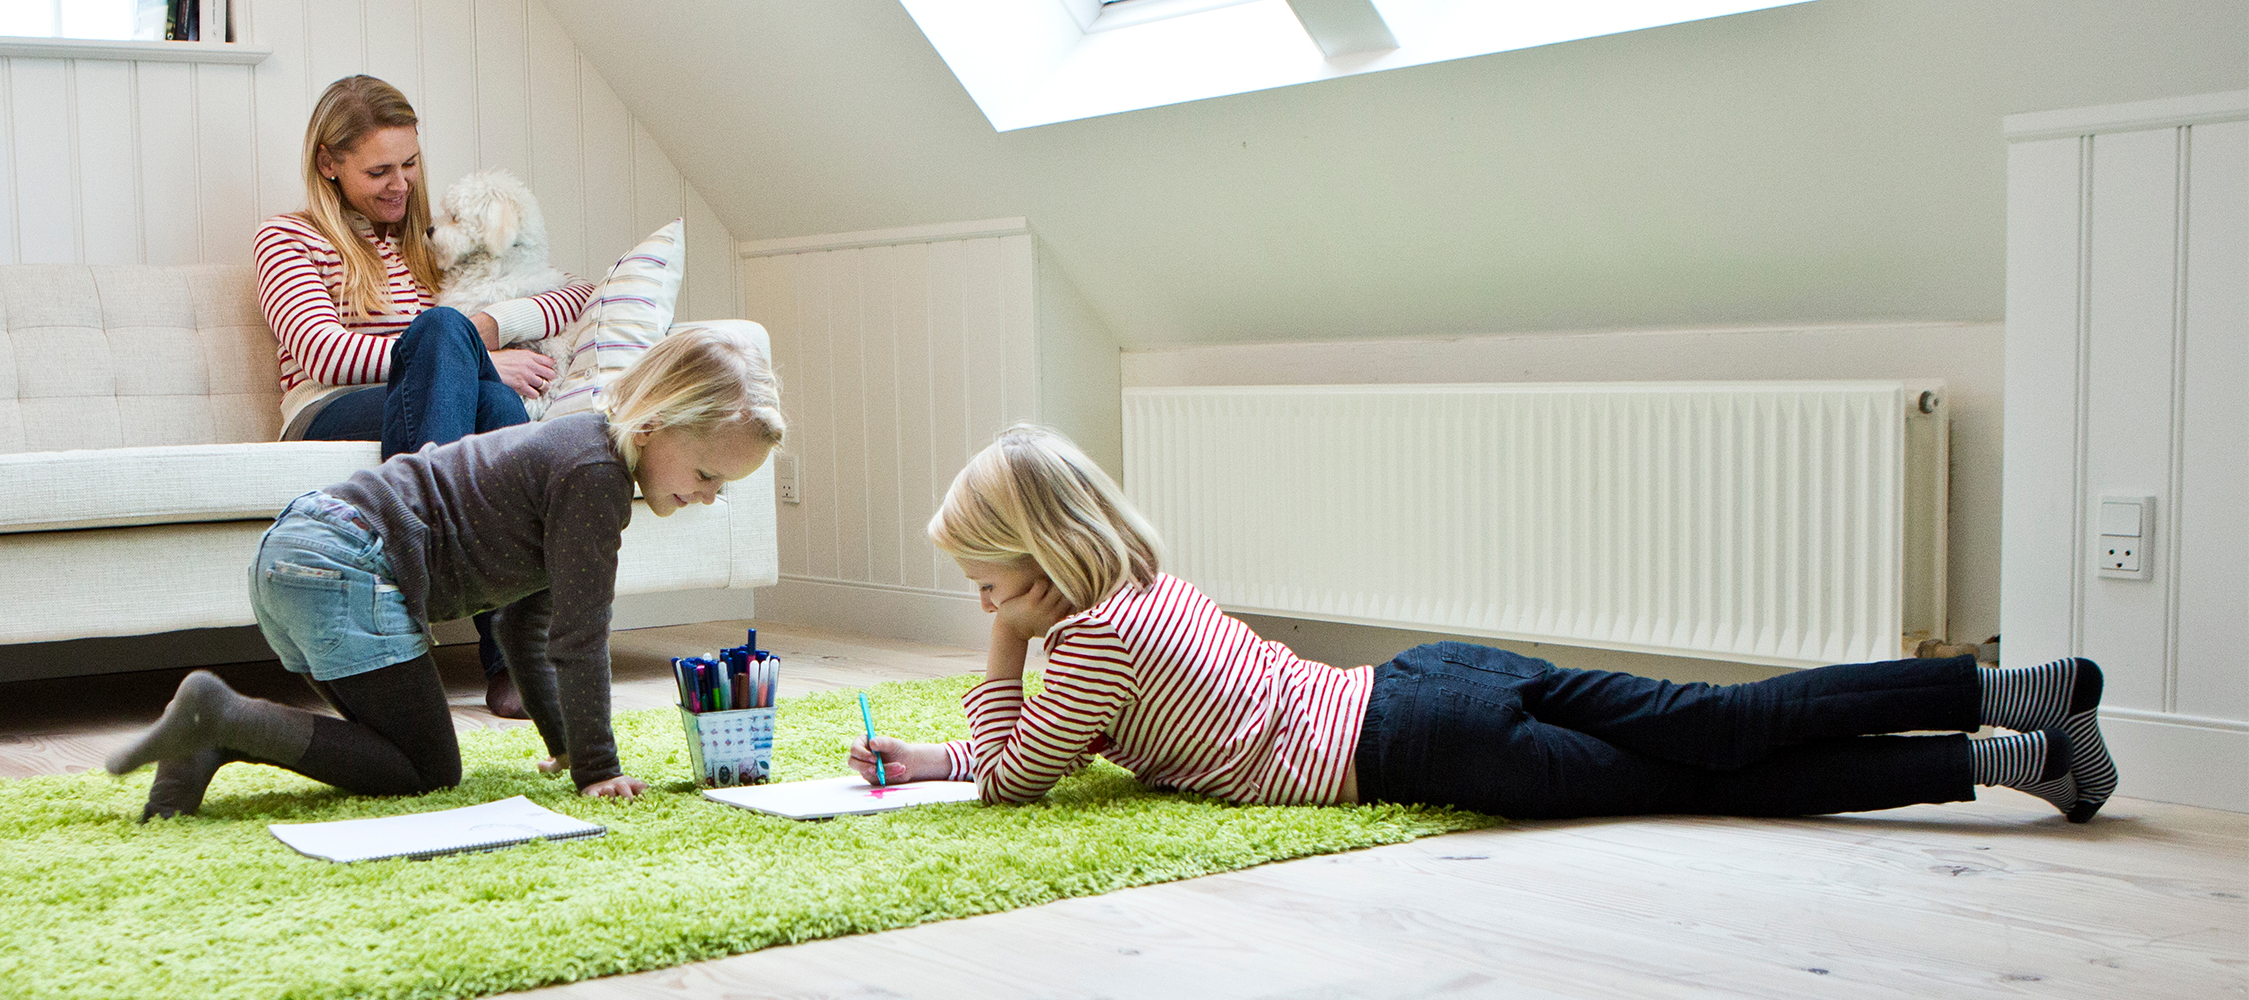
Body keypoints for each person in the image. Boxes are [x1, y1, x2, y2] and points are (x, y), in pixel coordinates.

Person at [849, 424, 2120, 823]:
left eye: (990, 585)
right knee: (1714, 719)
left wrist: (1002, 656)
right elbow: (1049, 743)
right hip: (1428, 677)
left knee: (1708, 781)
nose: (985, 608)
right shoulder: (1146, 590)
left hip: (1420, 750)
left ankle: (2010, 760)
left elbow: (1019, 776)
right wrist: (926, 757)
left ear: (1045, 566)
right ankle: (2007, 700)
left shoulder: (1083, 649)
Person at [107, 327, 784, 818]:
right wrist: (598, 769)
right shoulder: (595, 476)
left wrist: (564, 743)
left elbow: (525, 626)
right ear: (651, 426)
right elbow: (580, 639)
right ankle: (223, 715)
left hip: (297, 554)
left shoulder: (575, 454)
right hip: (347, 561)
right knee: (427, 768)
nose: (708, 496)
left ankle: (206, 744)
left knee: (390, 749)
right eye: (706, 473)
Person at [257, 74, 598, 719]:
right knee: (443, 331)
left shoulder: (427, 241)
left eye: (410, 164)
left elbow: (576, 293)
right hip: (330, 408)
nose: (401, 184)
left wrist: (490, 329)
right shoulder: (287, 238)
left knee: (496, 407)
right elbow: (322, 351)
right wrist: (471, 354)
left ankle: (494, 643)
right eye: (379, 171)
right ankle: (466, 605)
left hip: (434, 406)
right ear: (328, 164)